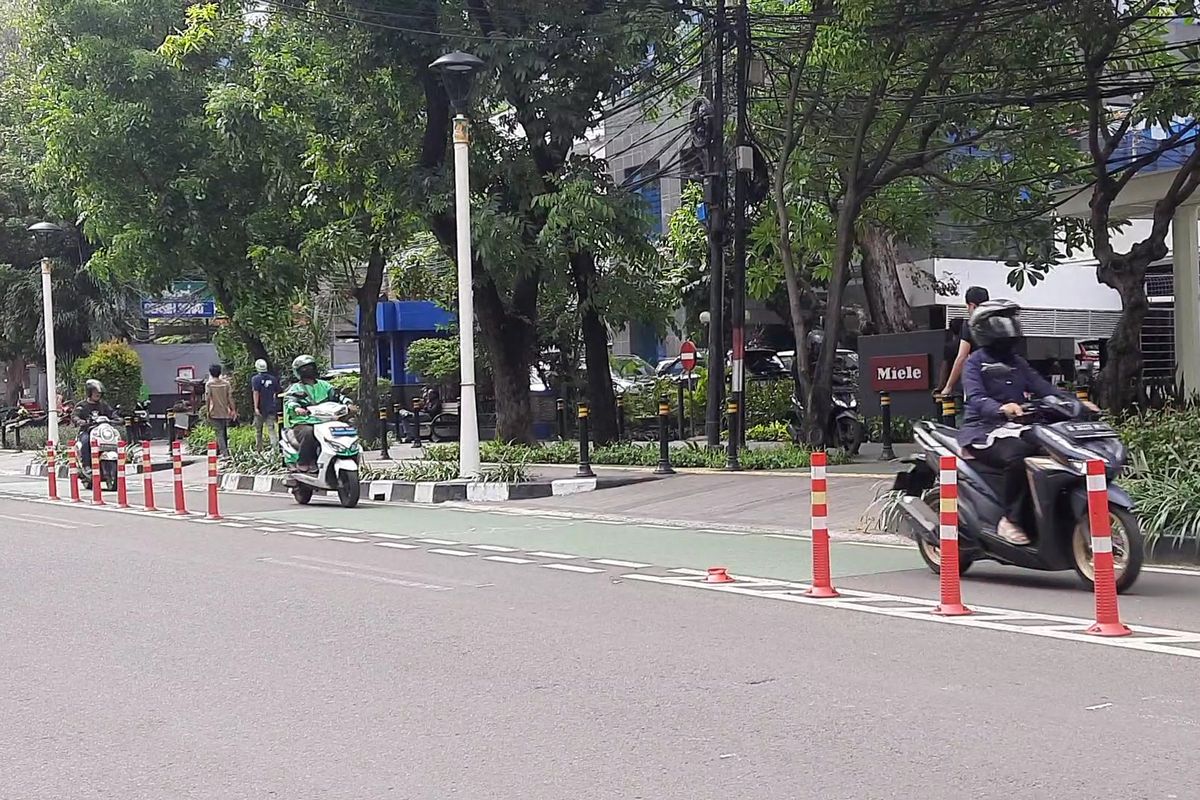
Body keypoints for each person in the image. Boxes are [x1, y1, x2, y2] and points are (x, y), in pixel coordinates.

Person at [957, 300, 1098, 545]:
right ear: (984, 329)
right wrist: (1001, 408)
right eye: (1000, 323)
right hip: (983, 431)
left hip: (1019, 427)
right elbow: (977, 399)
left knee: (1056, 450)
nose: (1007, 329)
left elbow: (1045, 389)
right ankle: (1009, 520)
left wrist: (1076, 403)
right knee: (1018, 457)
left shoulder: (1017, 362)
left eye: (1009, 322)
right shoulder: (974, 363)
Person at [283, 355, 350, 473]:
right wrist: (297, 408)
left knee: (345, 428)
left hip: (326, 421)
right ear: (298, 372)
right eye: (304, 368)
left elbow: (338, 396)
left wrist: (348, 404)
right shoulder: (295, 388)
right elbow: (290, 401)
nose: (308, 370)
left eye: (310, 367)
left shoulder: (325, 385)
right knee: (309, 433)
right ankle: (304, 461)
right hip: (304, 422)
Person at [938, 286, 989, 399]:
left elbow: (961, 357)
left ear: (972, 305)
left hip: (979, 381)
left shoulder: (970, 325)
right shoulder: (998, 321)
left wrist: (948, 386)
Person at [73, 379, 114, 471]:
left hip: (102, 431)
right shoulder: (82, 405)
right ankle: (86, 465)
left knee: (115, 438)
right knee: (86, 441)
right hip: (87, 431)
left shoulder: (103, 405)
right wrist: (80, 421)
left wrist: (118, 419)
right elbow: (75, 416)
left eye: (99, 392)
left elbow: (112, 414)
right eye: (95, 392)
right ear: (89, 392)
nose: (97, 394)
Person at [205, 364, 237, 456]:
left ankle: (224, 452)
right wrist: (233, 409)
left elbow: (208, 398)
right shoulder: (226, 384)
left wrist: (207, 411)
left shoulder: (209, 384)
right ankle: (224, 450)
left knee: (219, 432)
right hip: (225, 411)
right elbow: (230, 397)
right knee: (224, 431)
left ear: (211, 373)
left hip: (214, 410)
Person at [250, 359, 280, 453]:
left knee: (258, 430)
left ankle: (259, 450)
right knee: (271, 428)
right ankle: (275, 449)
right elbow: (276, 393)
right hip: (271, 407)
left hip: (260, 407)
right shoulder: (273, 379)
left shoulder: (255, 379)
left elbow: (256, 393)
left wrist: (256, 407)